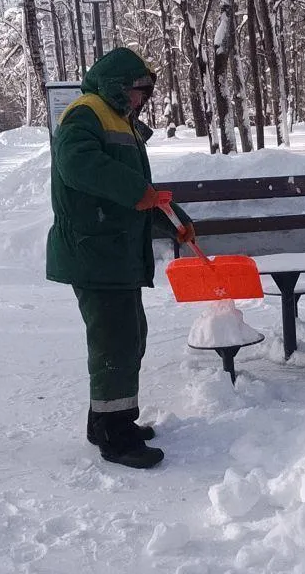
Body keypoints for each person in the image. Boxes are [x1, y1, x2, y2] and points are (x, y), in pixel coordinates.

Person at [45, 47, 194, 470]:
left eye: (146, 93)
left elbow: (142, 191)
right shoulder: (86, 113)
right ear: (118, 86)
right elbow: (78, 166)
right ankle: (116, 434)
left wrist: (175, 221)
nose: (142, 100)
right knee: (116, 341)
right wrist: (137, 194)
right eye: (138, 91)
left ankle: (104, 419)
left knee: (129, 335)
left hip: (114, 251)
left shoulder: (118, 119)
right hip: (95, 250)